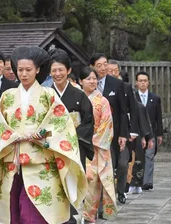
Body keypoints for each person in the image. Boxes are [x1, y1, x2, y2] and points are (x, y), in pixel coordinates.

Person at [0, 46, 87, 224]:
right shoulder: (7, 96)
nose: (23, 74)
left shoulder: (49, 95)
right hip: (13, 163)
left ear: (38, 70)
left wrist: (40, 136)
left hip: (40, 164)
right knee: (14, 213)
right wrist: (13, 136)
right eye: (20, 70)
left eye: (28, 70)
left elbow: (61, 126)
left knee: (33, 215)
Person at [49, 48, 94, 223]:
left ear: (68, 71)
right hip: (51, 146)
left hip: (74, 146)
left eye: (61, 69)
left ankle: (73, 217)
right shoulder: (47, 95)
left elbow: (88, 122)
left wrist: (69, 137)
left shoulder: (79, 95)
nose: (57, 73)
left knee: (72, 183)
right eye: (54, 70)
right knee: (53, 184)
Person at [79, 67, 117, 222]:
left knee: (93, 182)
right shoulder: (75, 97)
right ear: (80, 81)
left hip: (94, 148)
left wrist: (90, 140)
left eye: (94, 78)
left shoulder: (102, 101)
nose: (92, 81)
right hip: (76, 145)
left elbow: (107, 125)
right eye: (88, 78)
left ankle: (89, 216)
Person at [90, 53, 129, 204]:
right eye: (98, 65)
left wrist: (124, 134)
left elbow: (123, 111)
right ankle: (100, 201)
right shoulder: (88, 83)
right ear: (92, 66)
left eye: (105, 64)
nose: (103, 68)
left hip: (114, 132)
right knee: (100, 167)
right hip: (94, 133)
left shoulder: (116, 84)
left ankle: (119, 191)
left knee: (121, 164)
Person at [135, 71, 163, 191]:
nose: (142, 83)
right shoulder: (133, 97)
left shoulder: (155, 98)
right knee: (138, 156)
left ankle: (147, 182)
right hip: (137, 131)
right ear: (136, 82)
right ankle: (137, 181)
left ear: (148, 82)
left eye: (145, 81)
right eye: (140, 81)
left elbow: (158, 117)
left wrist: (160, 134)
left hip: (151, 131)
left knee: (149, 156)